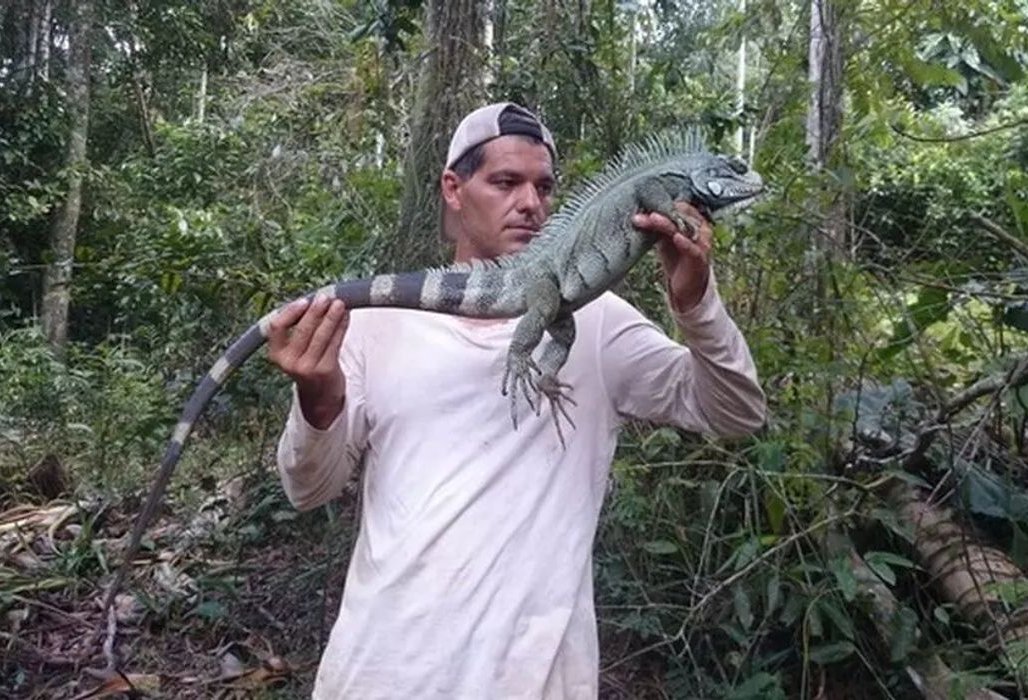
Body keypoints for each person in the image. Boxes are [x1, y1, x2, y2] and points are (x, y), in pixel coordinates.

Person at [267, 102, 766, 699]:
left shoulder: (601, 324)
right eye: (505, 182)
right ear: (454, 189)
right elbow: (307, 490)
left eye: (544, 187)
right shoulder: (376, 326)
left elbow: (738, 413)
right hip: (382, 676)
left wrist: (696, 304)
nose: (530, 203)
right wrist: (319, 397)